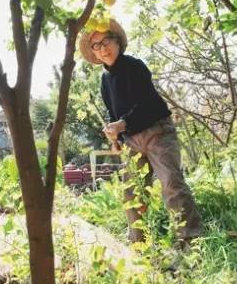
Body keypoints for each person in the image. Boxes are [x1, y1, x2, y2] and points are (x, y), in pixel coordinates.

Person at [79, 19, 202, 245]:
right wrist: (113, 133)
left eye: (106, 41)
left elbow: (148, 104)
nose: (103, 48)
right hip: (132, 142)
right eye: (96, 45)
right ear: (94, 53)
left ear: (117, 42)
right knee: (132, 194)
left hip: (158, 132)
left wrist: (122, 124)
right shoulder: (105, 81)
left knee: (171, 184)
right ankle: (140, 247)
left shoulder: (135, 66)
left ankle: (189, 242)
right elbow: (112, 112)